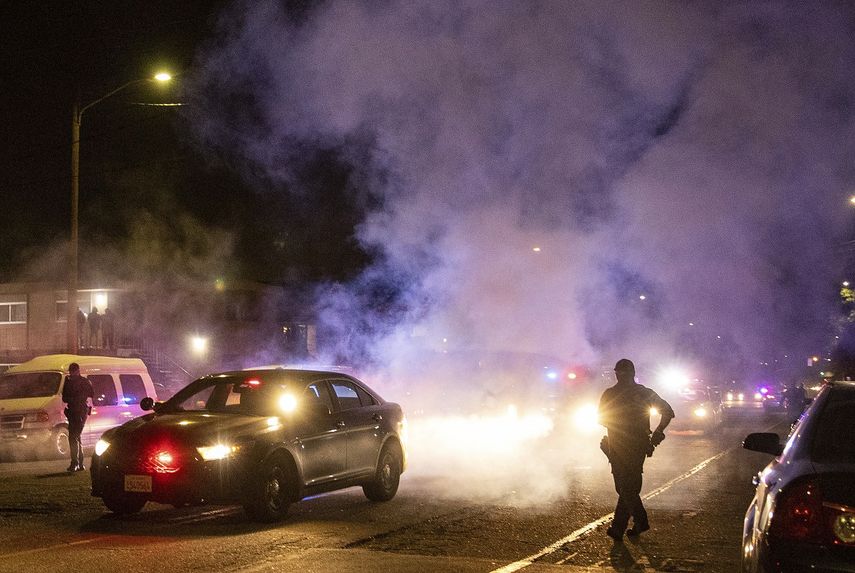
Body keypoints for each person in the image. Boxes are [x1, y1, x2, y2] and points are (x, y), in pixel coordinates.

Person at [598, 358, 675, 541]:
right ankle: (640, 522)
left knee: (627, 487)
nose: (621, 376)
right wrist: (657, 432)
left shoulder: (619, 394)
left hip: (629, 446)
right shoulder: (640, 393)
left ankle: (619, 528)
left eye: (622, 373)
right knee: (625, 488)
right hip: (623, 446)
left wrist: (657, 433)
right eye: (620, 373)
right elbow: (668, 411)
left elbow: (668, 411)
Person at [61, 362, 94, 472]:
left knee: (73, 436)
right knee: (76, 437)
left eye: (73, 371)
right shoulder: (70, 382)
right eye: (71, 372)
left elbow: (91, 394)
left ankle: (75, 463)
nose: (71, 374)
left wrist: (76, 398)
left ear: (77, 371)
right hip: (73, 412)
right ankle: (79, 463)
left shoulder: (83, 382)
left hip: (80, 411)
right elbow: (64, 398)